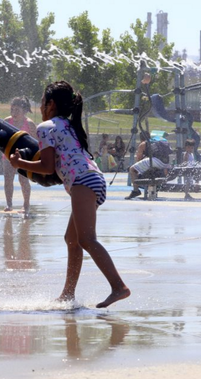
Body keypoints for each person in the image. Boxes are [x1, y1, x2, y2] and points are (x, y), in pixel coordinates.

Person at [8, 80, 130, 308]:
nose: (41, 106)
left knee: (86, 238)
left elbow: (46, 167)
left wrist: (19, 163)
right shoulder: (69, 125)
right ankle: (67, 294)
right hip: (93, 179)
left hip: (83, 181)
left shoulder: (46, 127)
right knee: (72, 239)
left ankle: (118, 286)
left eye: (43, 102)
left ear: (51, 103)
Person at [3, 97, 36, 214]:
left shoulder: (30, 124)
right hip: (8, 155)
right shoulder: (7, 122)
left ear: (24, 111)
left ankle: (26, 204)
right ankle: (9, 204)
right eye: (12, 110)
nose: (14, 113)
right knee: (8, 179)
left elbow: (35, 143)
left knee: (23, 180)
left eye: (17, 110)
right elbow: (1, 138)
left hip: (24, 156)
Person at [126, 132, 172, 199]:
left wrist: (139, 169)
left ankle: (136, 190)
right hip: (166, 162)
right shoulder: (155, 141)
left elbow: (138, 159)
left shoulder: (143, 143)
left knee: (132, 169)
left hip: (155, 161)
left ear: (141, 138)